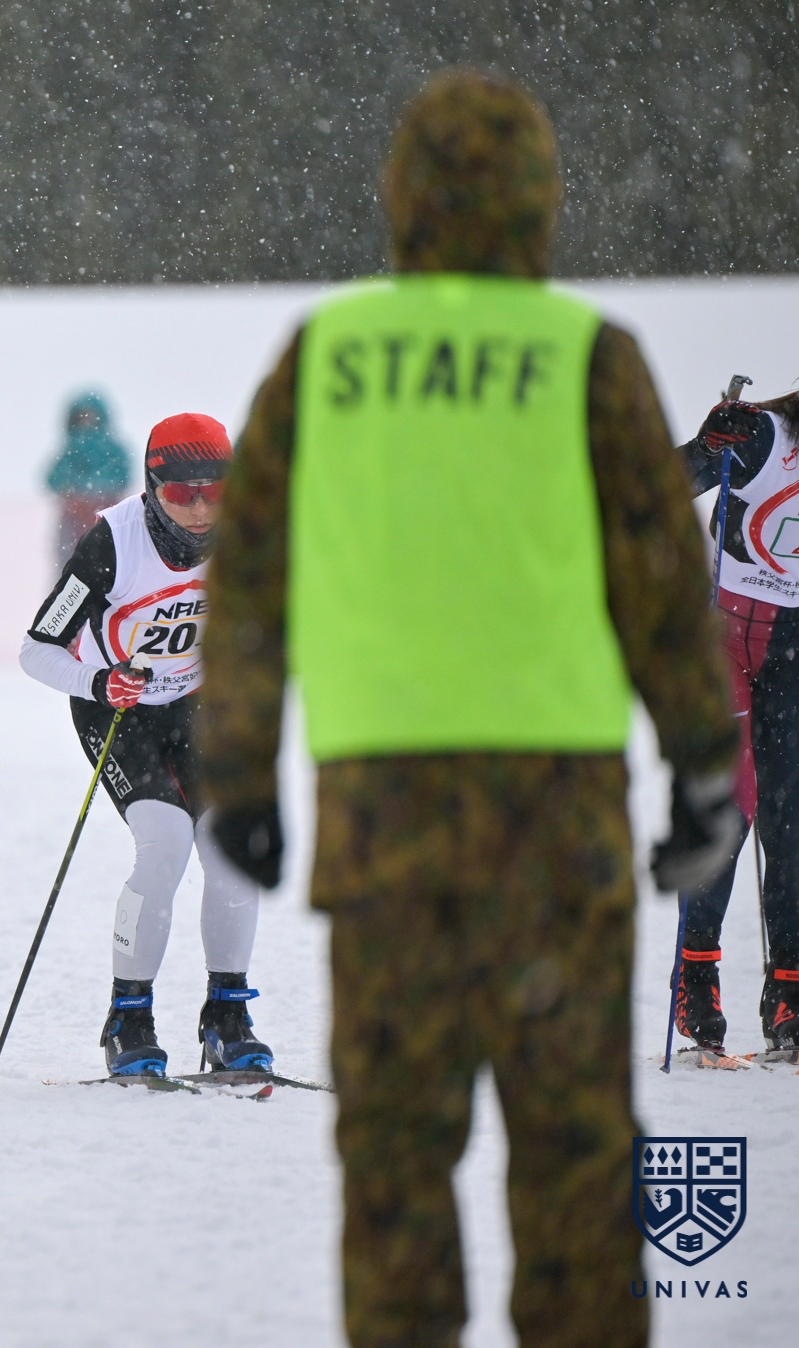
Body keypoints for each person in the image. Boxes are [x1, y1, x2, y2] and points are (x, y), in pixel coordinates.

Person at [198, 70, 738, 1348]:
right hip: (561, 831)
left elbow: (249, 581)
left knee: (395, 1174)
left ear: (403, 195)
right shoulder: (588, 358)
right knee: (576, 1170)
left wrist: (238, 775)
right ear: (541, 197)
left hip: (382, 830)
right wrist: (705, 764)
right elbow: (665, 582)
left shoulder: (328, 357)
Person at [19, 412, 268, 1077]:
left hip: (195, 706)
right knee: (165, 844)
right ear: (153, 487)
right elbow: (36, 650)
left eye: (215, 492)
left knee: (230, 851)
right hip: (117, 712)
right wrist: (100, 681)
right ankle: (128, 1019)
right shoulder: (111, 542)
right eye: (182, 492)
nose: (200, 509)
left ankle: (227, 1017)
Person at [674, 384, 799, 1055]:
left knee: (792, 820)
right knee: (728, 806)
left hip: (792, 654)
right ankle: (696, 980)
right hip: (725, 641)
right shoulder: (763, 437)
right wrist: (704, 445)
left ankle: (789, 992)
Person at [42, 390, 133, 569]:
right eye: (81, 418)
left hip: (105, 517)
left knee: (112, 562)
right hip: (76, 519)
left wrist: (96, 494)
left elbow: (123, 477)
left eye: (91, 418)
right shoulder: (71, 449)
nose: (87, 424)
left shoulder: (111, 449)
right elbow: (53, 480)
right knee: (72, 563)